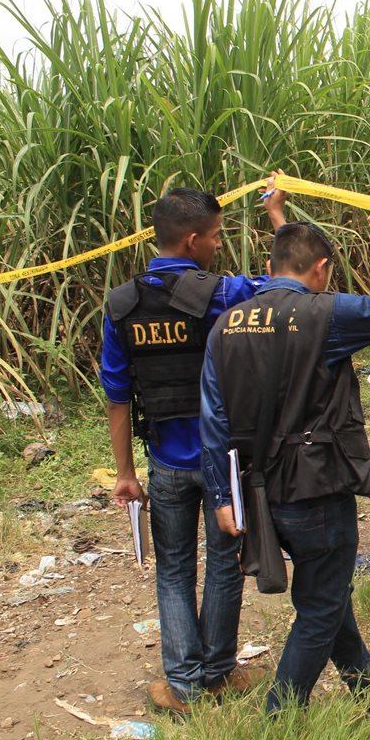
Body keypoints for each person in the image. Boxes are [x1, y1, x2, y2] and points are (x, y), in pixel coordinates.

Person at [201, 181, 370, 713]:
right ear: (322, 270)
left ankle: (369, 695)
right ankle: (279, 717)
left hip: (259, 492)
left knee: (327, 594)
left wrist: (220, 496)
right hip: (317, 486)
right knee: (322, 605)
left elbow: (211, 421)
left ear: (270, 262)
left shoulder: (225, 326)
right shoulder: (326, 316)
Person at [100, 188, 268, 713]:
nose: (218, 247)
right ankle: (217, 671)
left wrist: (126, 473)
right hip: (223, 465)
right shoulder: (217, 293)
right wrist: (278, 217)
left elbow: (117, 393)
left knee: (173, 570)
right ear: (192, 240)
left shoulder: (121, 305)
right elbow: (284, 285)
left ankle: (184, 685)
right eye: (216, 237)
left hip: (166, 464)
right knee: (224, 564)